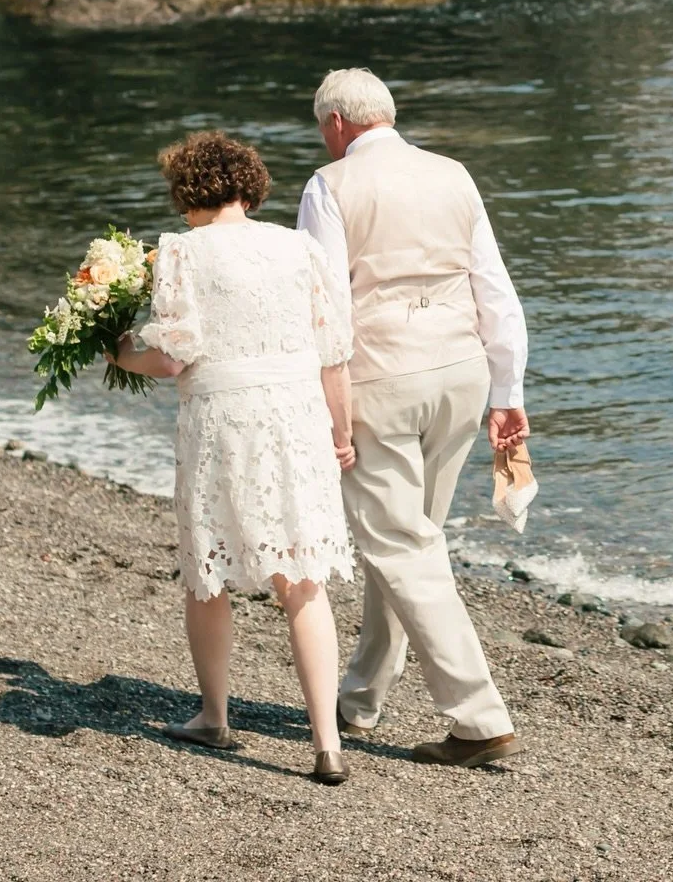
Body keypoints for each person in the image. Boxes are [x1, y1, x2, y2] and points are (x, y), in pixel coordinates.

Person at [297, 67, 530, 768]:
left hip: (381, 376)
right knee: (409, 540)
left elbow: (325, 307)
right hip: (461, 373)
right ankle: (362, 695)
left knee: (400, 545)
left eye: (322, 130)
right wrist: (508, 391)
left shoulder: (328, 186)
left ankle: (479, 716)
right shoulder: (454, 174)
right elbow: (496, 287)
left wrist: (330, 413)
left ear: (336, 125)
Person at [109, 131, 356, 784]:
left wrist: (117, 353)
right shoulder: (299, 247)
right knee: (303, 581)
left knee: (207, 573)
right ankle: (327, 744)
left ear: (187, 193)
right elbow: (333, 352)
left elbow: (171, 356)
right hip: (297, 417)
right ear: (248, 186)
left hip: (224, 420)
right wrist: (343, 432)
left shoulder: (180, 253)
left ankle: (215, 717)